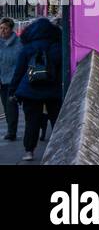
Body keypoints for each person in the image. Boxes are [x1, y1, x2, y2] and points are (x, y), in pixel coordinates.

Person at [11, 17, 62, 161]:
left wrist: (13, 90)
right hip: (53, 91)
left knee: (31, 122)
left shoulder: (27, 48)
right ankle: (59, 148)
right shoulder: (58, 46)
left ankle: (29, 151)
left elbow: (19, 71)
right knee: (57, 121)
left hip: (30, 91)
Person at [0, 19, 21, 141]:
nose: (2, 31)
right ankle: (10, 128)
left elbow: (20, 62)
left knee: (11, 105)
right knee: (5, 105)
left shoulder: (18, 43)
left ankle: (12, 132)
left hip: (13, 81)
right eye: (1, 28)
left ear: (11, 29)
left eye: (5, 28)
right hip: (2, 80)